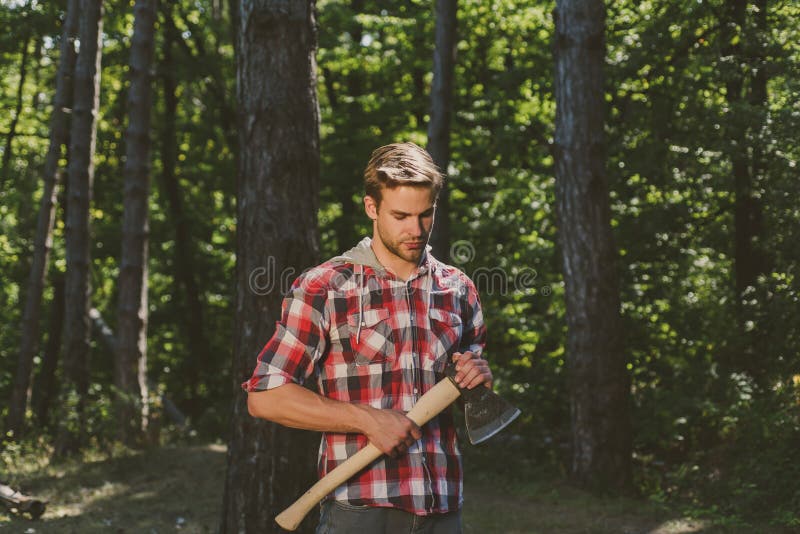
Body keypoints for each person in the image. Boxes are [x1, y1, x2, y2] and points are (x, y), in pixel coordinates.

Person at [242, 142, 492, 534]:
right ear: (371, 208)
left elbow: (472, 394)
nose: (416, 229)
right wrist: (365, 419)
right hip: (359, 511)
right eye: (401, 215)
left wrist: (477, 380)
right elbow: (265, 396)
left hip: (443, 509)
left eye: (426, 214)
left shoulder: (458, 289)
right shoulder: (325, 287)